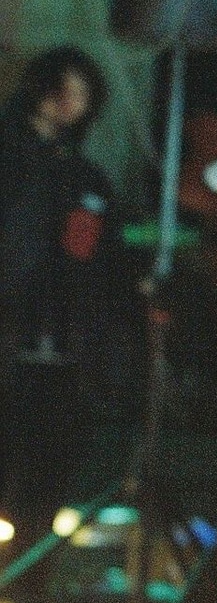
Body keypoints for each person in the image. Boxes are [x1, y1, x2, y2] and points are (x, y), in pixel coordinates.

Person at [0, 47, 119, 534]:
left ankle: (30, 568)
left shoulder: (82, 175)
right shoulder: (15, 162)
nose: (71, 103)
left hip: (63, 348)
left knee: (45, 478)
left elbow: (97, 259)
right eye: (63, 89)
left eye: (82, 93)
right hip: (14, 337)